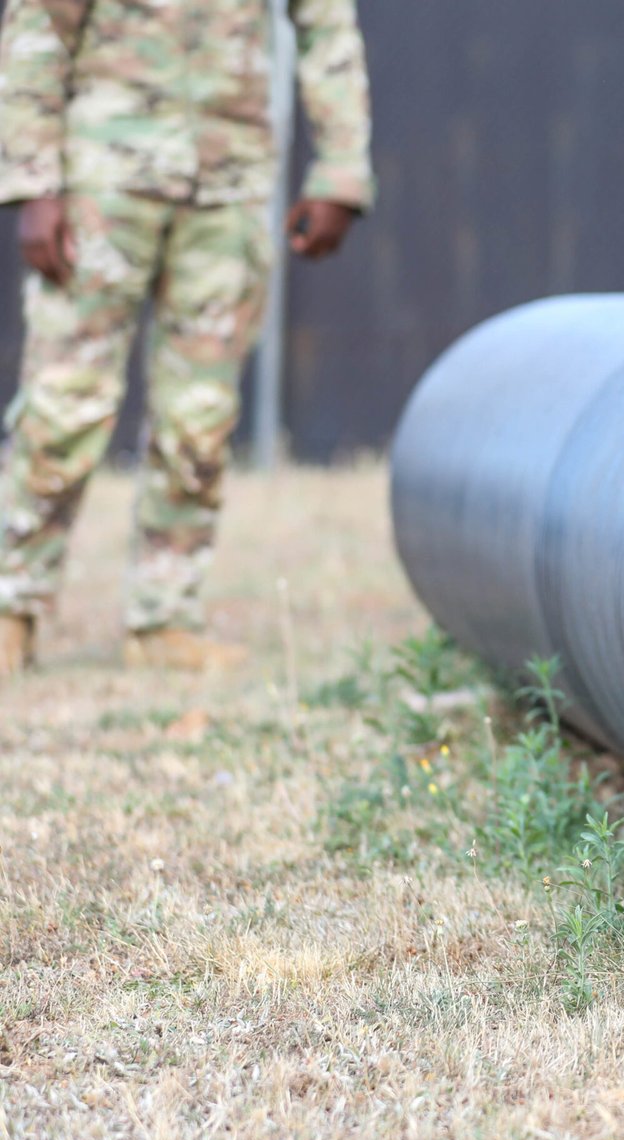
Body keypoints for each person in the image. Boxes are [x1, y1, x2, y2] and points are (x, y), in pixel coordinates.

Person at [0, 0, 374, 677]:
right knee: (63, 405)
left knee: (200, 412)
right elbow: (39, 23)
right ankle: (10, 607)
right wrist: (32, 182)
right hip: (104, 178)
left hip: (229, 182)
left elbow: (326, 23)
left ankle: (165, 616)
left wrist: (341, 172)